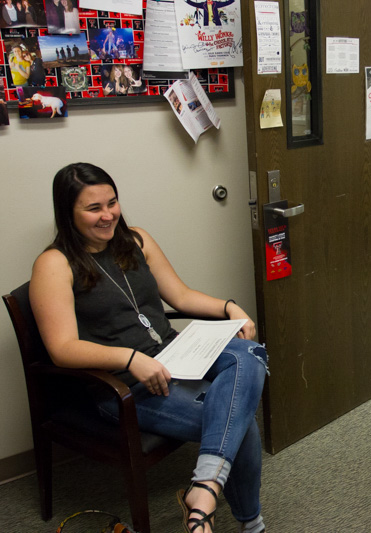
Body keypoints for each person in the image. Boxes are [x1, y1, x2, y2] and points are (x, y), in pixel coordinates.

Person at [29, 163, 268, 533]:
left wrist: (229, 308)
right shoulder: (54, 263)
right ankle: (249, 523)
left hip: (176, 356)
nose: (108, 215)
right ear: (68, 212)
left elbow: (181, 295)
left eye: (112, 202)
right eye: (94, 209)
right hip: (125, 386)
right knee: (242, 425)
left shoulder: (136, 240)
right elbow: (62, 348)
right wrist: (130, 358)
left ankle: (202, 490)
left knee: (249, 352)